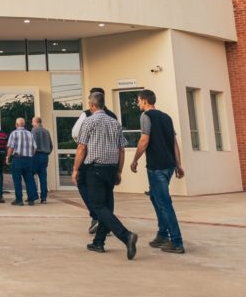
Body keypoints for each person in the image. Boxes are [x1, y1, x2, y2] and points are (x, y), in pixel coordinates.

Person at [73, 91, 138, 260]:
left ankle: (126, 236)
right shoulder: (114, 122)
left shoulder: (88, 121)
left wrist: (75, 169)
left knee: (98, 206)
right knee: (107, 207)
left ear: (92, 105)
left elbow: (81, 148)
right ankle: (98, 242)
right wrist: (118, 171)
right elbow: (121, 149)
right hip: (111, 168)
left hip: (95, 169)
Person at [130, 89, 186, 254]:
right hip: (168, 166)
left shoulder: (146, 116)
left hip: (156, 167)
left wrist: (135, 160)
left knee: (164, 203)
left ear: (145, 100)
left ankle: (176, 241)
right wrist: (178, 164)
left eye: (139, 100)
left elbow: (144, 140)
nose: (137, 103)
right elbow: (174, 143)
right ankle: (162, 235)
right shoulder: (166, 117)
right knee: (155, 198)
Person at [73, 88, 119, 234]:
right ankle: (103, 232)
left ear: (93, 102)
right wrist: (119, 169)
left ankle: (98, 217)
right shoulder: (113, 117)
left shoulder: (87, 115)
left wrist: (75, 168)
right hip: (111, 163)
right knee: (107, 194)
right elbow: (120, 146)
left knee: (84, 185)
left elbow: (77, 136)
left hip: (92, 161)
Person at [6, 117, 38, 206]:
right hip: (28, 159)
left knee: (17, 180)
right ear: (23, 124)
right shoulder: (29, 133)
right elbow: (34, 147)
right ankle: (31, 199)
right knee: (29, 179)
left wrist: (8, 157)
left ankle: (19, 200)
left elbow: (11, 147)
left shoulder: (14, 133)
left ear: (16, 124)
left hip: (18, 158)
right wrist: (30, 155)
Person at [31, 116, 53, 204]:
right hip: (45, 156)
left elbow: (33, 144)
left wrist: (31, 155)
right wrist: (47, 153)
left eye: (32, 122)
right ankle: (44, 198)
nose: (32, 124)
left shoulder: (34, 130)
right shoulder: (47, 131)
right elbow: (51, 146)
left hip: (36, 155)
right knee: (43, 178)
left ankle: (34, 195)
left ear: (36, 122)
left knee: (30, 175)